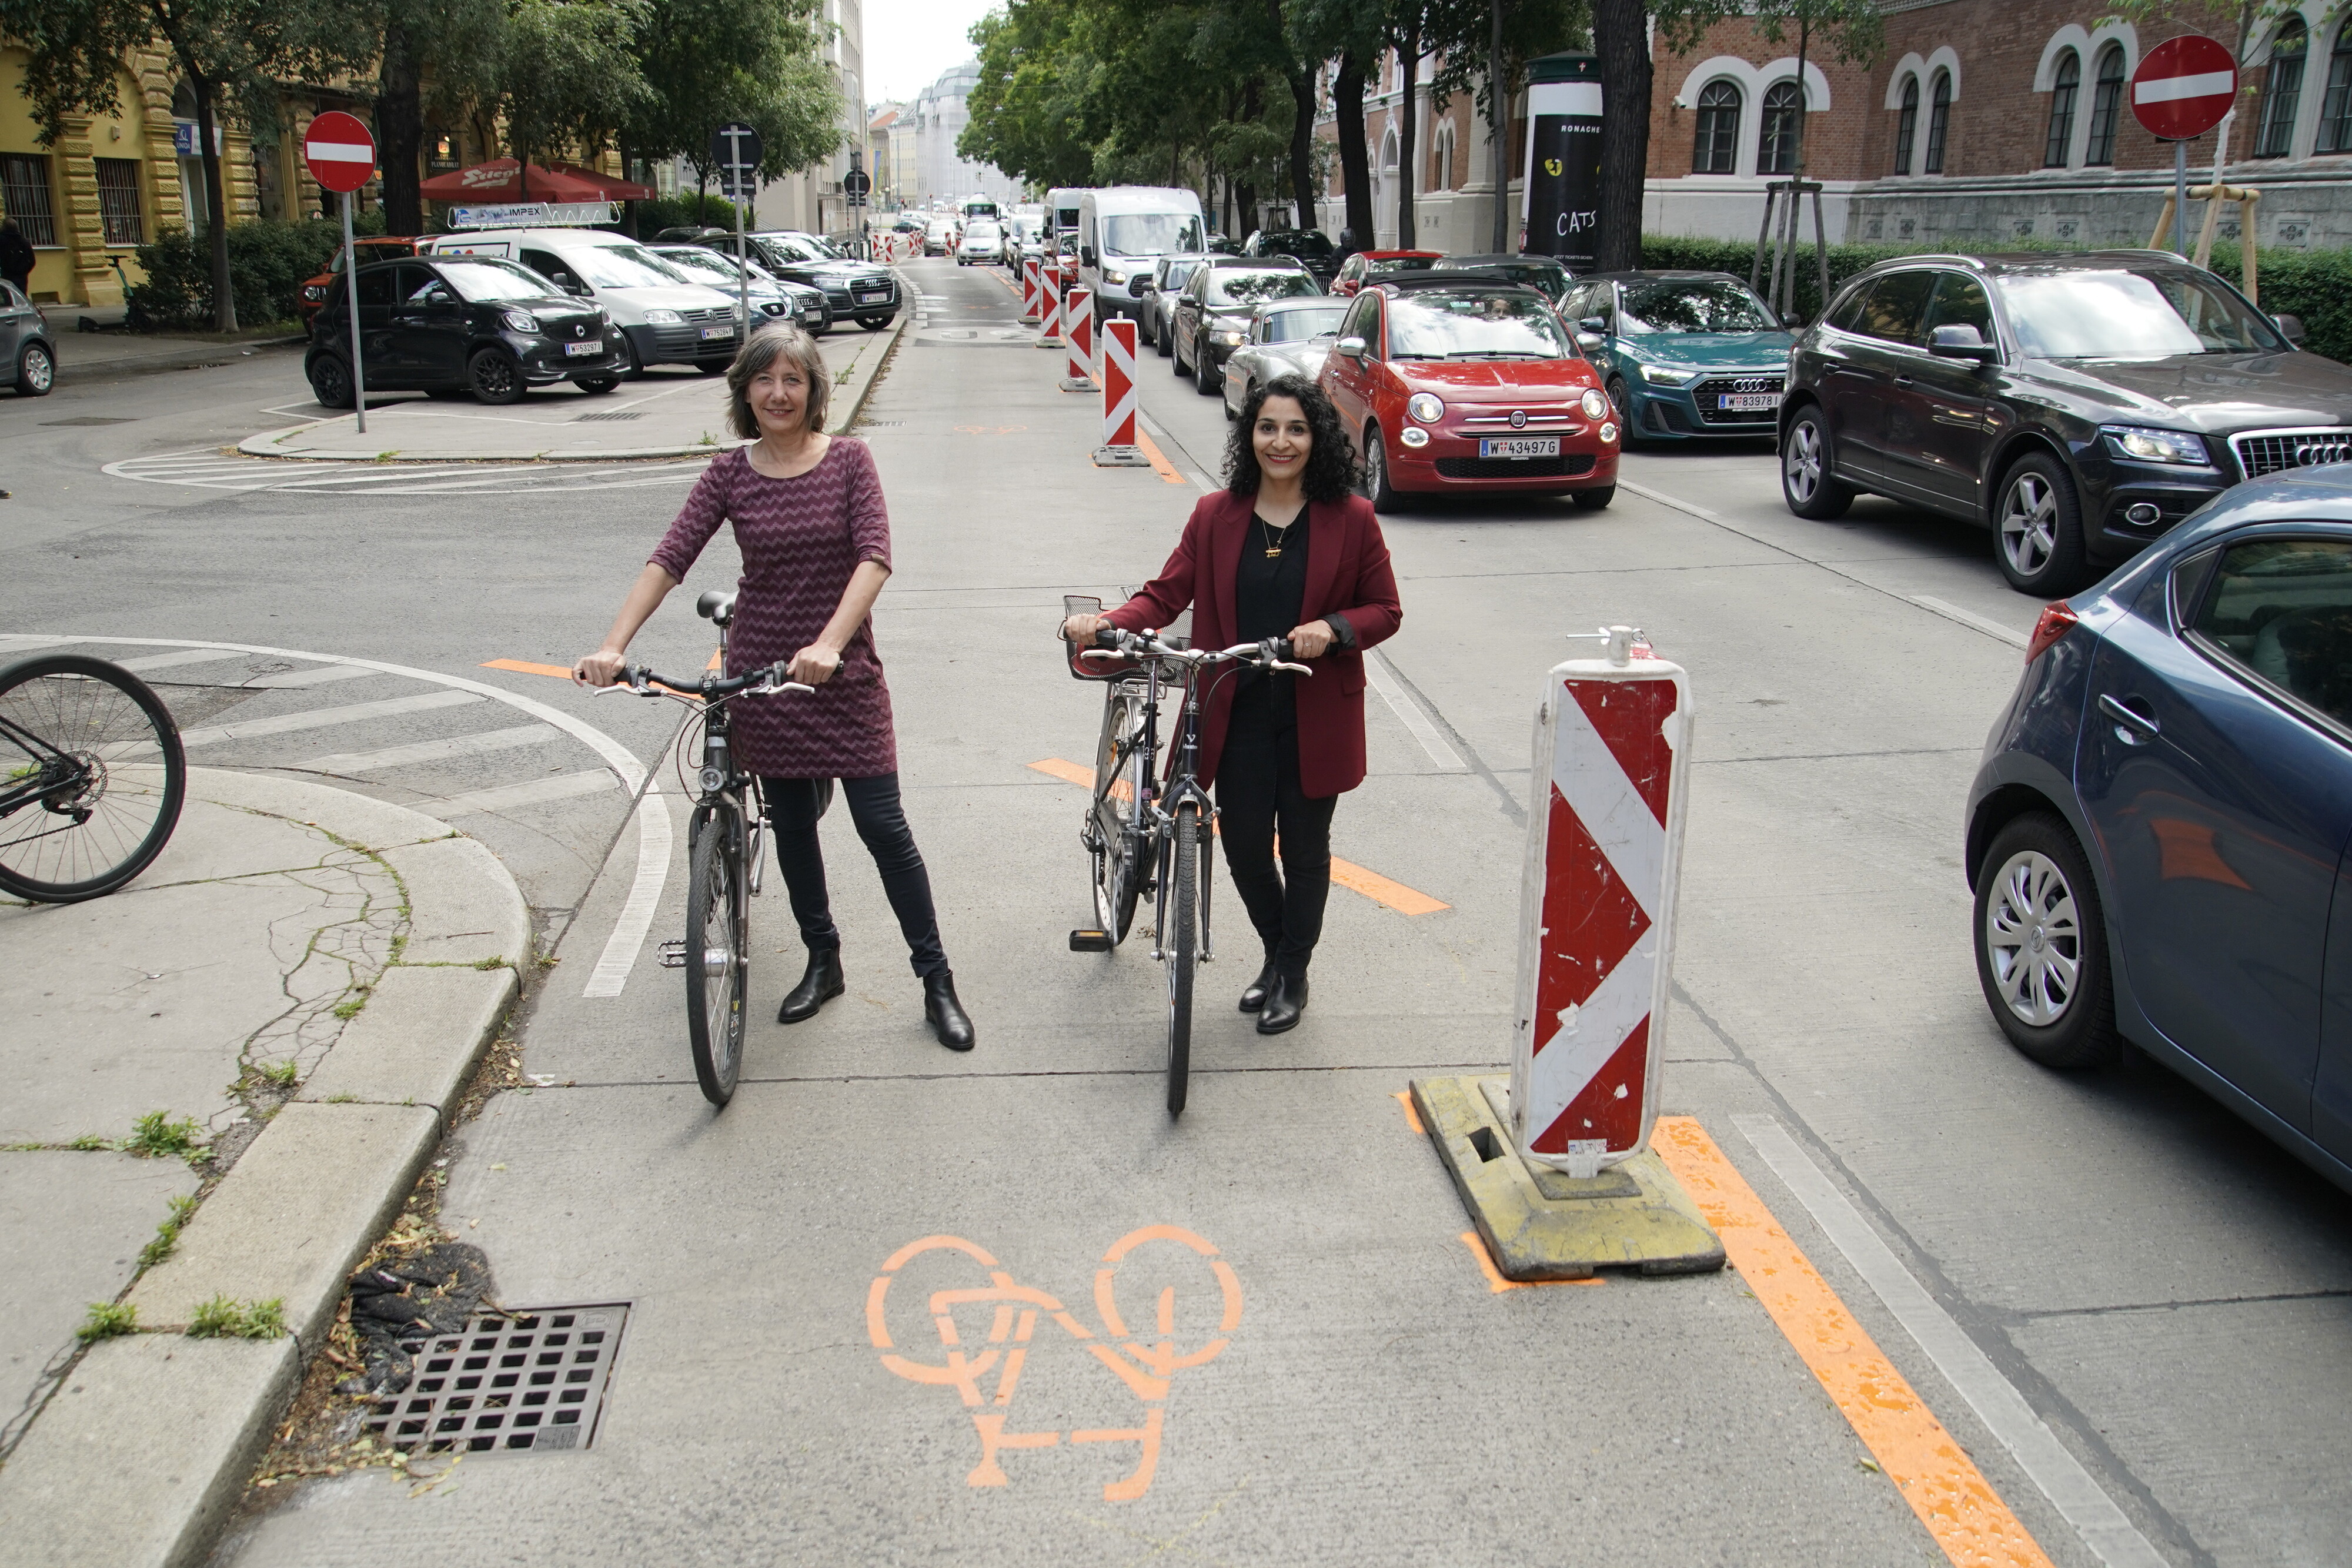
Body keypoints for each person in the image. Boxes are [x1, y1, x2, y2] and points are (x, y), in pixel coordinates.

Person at [574, 324, 975, 1052]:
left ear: (814, 390)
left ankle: (936, 979)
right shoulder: (730, 474)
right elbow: (670, 559)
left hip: (839, 672)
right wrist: (613, 645)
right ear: (746, 391)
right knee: (792, 827)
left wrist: (828, 642)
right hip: (762, 674)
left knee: (884, 827)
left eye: (793, 380)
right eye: (765, 380)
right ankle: (823, 960)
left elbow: (874, 558)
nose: (779, 393)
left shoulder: (849, 461)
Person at [1061, 374, 1401, 1034]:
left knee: (1303, 849)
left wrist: (1332, 630)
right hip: (1233, 704)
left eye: (1297, 429)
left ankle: (1291, 974)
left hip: (1314, 708)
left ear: (1317, 439)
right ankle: (1279, 956)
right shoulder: (1216, 514)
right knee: (1245, 847)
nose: (1281, 441)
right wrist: (1106, 620)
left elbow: (1384, 609)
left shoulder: (1351, 517)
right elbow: (1164, 595)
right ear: (1250, 436)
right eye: (1268, 427)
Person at [0, 218, 35, 299]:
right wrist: (25, 271)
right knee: (21, 297)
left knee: (9, 298)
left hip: (7, 274)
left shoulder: (2, 240)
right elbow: (32, 261)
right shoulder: (24, 241)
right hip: (22, 276)